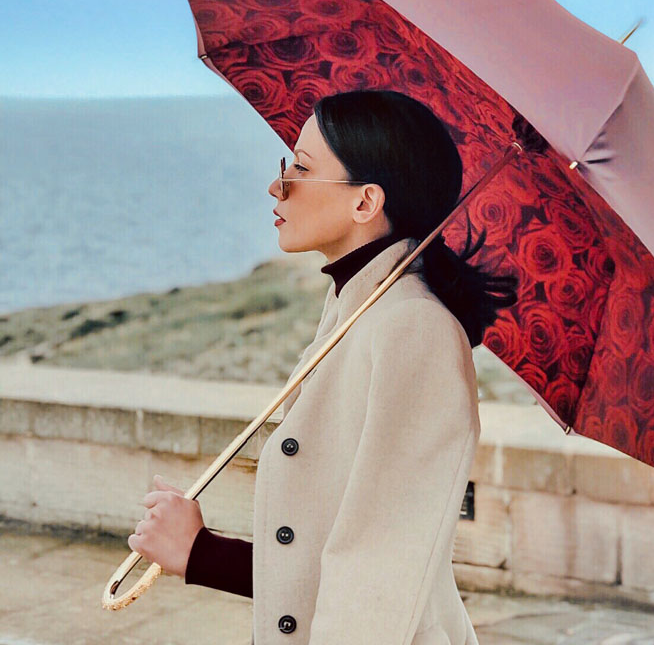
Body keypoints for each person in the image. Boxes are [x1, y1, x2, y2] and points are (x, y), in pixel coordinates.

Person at [129, 89, 518, 644]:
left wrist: (201, 553)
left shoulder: (414, 330)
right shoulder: (359, 307)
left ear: (365, 203)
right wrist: (201, 552)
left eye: (301, 169)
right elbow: (327, 552)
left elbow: (378, 566)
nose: (276, 184)